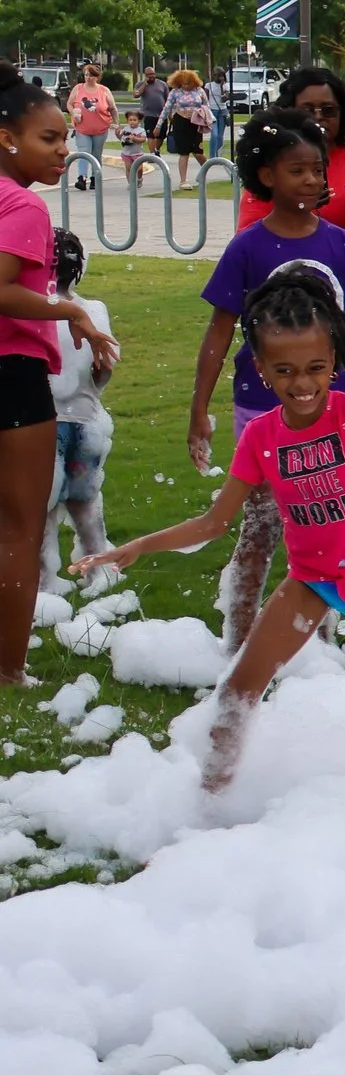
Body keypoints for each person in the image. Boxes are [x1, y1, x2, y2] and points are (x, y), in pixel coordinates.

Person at [76, 268, 345, 789]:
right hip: (311, 581)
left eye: (315, 368)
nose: (302, 383)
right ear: (261, 368)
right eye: (284, 371)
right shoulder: (260, 437)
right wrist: (140, 545)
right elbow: (215, 522)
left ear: (334, 362)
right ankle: (208, 805)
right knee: (238, 689)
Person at [193, 109, 345, 650]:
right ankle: (238, 644)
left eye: (318, 170)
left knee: (330, 530)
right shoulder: (249, 247)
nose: (312, 181)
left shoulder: (343, 246)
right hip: (262, 410)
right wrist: (198, 409)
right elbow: (218, 332)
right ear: (265, 177)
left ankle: (318, 646)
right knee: (259, 528)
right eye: (297, 170)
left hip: (337, 411)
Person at [0, 68, 120, 684]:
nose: (64, 150)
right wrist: (71, 308)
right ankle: (10, 669)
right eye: (49, 139)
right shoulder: (21, 204)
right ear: (6, 138)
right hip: (12, 376)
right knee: (20, 529)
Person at [239, 66, 345, 331]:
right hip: (296, 312)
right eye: (307, 110)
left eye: (329, 110)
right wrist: (300, 210)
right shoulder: (273, 160)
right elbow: (249, 240)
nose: (319, 118)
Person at [42, 231, 114, 595]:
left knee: (43, 510)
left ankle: (44, 584)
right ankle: (99, 571)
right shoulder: (95, 310)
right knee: (85, 504)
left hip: (45, 423)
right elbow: (104, 371)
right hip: (88, 423)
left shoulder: (33, 312)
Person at [160, 70, 213, 187]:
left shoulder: (200, 91)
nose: (187, 86)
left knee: (198, 152)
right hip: (181, 122)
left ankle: (204, 171)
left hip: (196, 122)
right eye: (184, 83)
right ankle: (183, 180)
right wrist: (159, 125)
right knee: (184, 153)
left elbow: (207, 106)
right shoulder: (175, 92)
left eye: (189, 83)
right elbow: (166, 108)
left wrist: (206, 118)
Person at [66, 67, 114, 191]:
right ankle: (82, 177)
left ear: (97, 77)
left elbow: (112, 108)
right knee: (84, 152)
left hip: (100, 128)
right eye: (86, 75)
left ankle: (95, 177)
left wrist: (116, 123)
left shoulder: (104, 90)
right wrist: (73, 113)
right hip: (82, 127)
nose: (88, 78)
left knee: (96, 153)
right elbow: (69, 104)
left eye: (91, 75)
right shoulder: (78, 88)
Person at [134, 68, 167, 148]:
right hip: (148, 114)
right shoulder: (140, 84)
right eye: (149, 75)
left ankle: (156, 151)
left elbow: (167, 99)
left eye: (153, 74)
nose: (151, 76)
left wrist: (169, 114)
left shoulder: (162, 84)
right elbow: (136, 95)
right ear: (145, 75)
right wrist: (144, 84)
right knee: (150, 135)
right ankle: (152, 154)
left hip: (161, 114)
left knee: (161, 135)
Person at [205, 70, 230, 161]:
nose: (220, 78)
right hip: (212, 111)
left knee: (220, 136)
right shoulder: (209, 85)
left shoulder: (225, 86)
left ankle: (219, 155)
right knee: (214, 135)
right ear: (214, 76)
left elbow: (224, 100)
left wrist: (221, 88)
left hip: (223, 111)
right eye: (218, 76)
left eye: (222, 76)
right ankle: (212, 157)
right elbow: (205, 99)